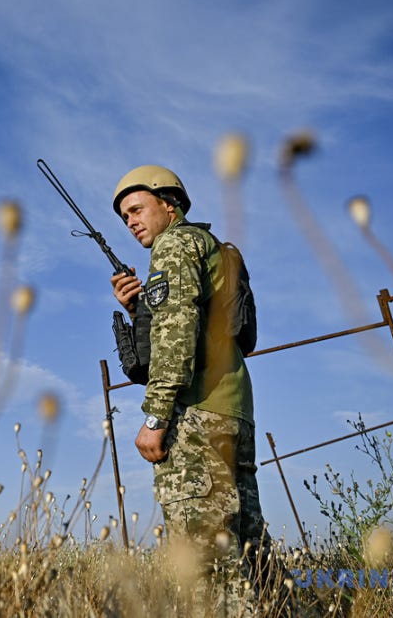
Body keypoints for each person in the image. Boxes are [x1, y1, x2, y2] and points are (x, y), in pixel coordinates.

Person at [109, 165, 279, 614]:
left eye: (137, 209)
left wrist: (155, 418)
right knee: (251, 555)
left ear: (170, 204)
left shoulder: (175, 245)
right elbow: (193, 325)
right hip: (233, 413)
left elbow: (177, 333)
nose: (130, 222)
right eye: (125, 217)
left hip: (197, 417)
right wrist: (140, 305)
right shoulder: (211, 248)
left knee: (209, 571)